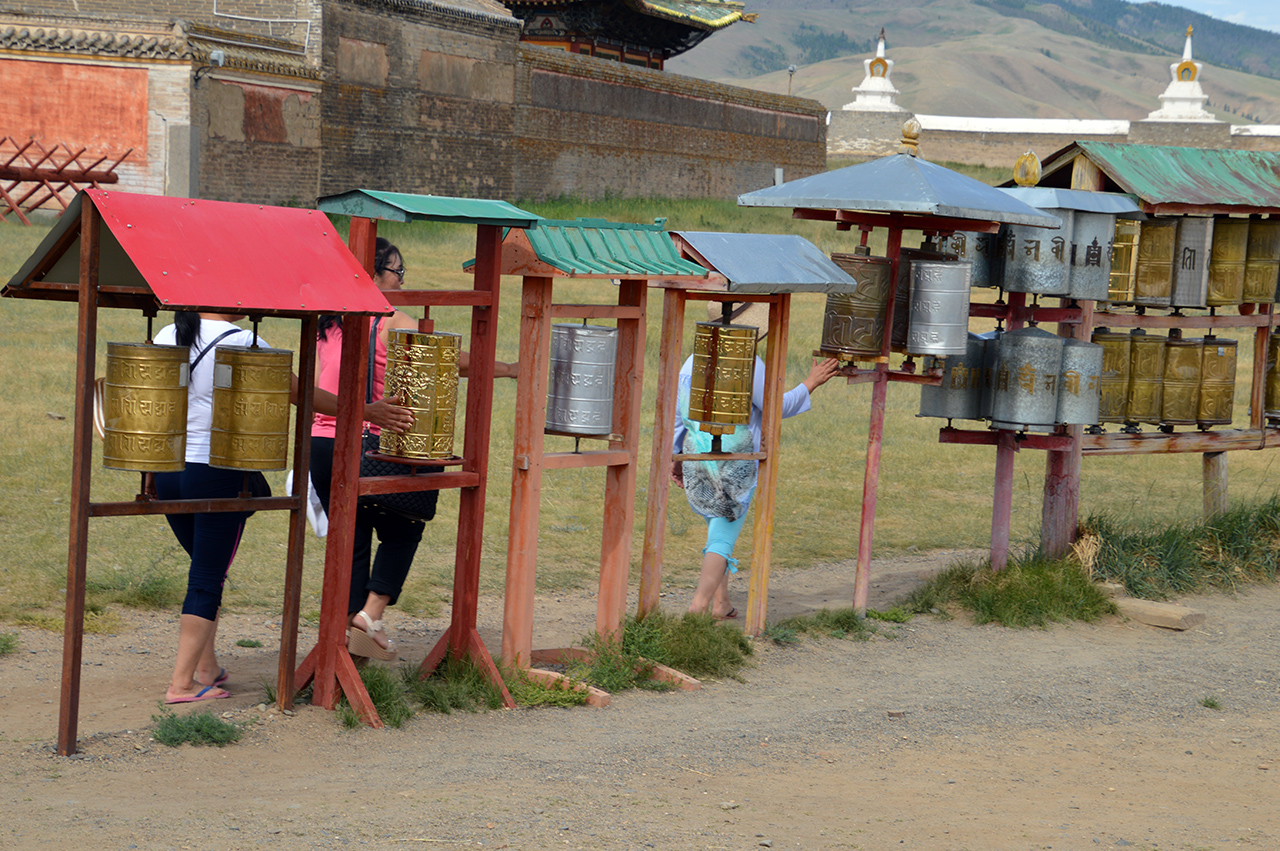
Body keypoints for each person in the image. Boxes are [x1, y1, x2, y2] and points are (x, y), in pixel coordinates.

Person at [155, 311, 410, 703]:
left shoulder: (167, 333)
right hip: (217, 470)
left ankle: (205, 668)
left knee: (203, 569)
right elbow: (300, 394)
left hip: (168, 470)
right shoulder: (243, 342)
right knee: (207, 577)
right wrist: (366, 411)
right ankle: (182, 683)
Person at [309, 238, 516, 661]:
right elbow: (444, 360)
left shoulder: (326, 323)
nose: (402, 280)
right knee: (408, 524)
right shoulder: (390, 320)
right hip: (372, 446)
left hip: (322, 447)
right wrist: (508, 368)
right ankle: (370, 615)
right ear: (374, 275)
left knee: (351, 542)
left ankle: (348, 654)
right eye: (396, 271)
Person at [671, 302, 841, 620]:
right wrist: (812, 382)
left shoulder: (691, 363)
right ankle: (698, 609)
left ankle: (721, 603)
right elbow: (777, 406)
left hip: (697, 456)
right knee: (722, 535)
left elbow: (679, 414)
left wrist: (677, 454)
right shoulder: (749, 362)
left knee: (716, 528)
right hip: (735, 461)